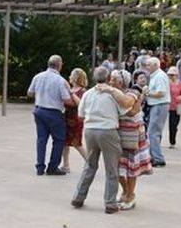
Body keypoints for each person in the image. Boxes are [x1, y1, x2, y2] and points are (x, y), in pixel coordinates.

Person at [71, 67, 135, 213]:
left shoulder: (88, 93)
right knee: (111, 168)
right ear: (108, 79)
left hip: (90, 131)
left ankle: (78, 197)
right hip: (108, 131)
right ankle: (110, 203)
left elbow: (80, 115)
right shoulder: (114, 93)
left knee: (90, 165)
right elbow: (128, 111)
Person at [26, 55, 74, 176]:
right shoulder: (60, 81)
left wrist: (41, 94)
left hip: (39, 110)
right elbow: (66, 100)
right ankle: (52, 167)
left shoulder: (38, 77)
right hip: (54, 113)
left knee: (41, 139)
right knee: (58, 139)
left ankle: (40, 167)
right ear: (59, 65)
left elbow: (30, 93)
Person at [114, 69, 152, 210]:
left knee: (131, 166)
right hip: (118, 134)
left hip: (133, 135)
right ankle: (125, 191)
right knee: (117, 166)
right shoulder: (113, 93)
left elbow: (131, 111)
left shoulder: (132, 93)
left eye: (113, 79)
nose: (110, 81)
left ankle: (130, 195)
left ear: (121, 82)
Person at [59, 68, 88, 173]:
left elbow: (80, 104)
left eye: (71, 75)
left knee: (77, 143)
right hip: (66, 117)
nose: (69, 77)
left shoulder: (82, 91)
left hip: (76, 119)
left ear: (76, 77)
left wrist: (71, 93)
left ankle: (89, 163)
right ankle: (66, 165)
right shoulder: (70, 89)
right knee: (65, 142)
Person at [144, 57, 169, 167]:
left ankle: (158, 158)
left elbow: (161, 93)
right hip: (156, 105)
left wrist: (148, 93)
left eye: (149, 65)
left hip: (159, 104)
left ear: (155, 65)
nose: (147, 67)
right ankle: (153, 156)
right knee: (152, 132)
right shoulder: (155, 76)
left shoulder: (160, 76)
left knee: (153, 132)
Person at [167, 67, 181, 149]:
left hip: (179, 105)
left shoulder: (180, 83)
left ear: (176, 75)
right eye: (170, 75)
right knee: (171, 124)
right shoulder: (167, 83)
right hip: (169, 106)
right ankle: (172, 142)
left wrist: (180, 97)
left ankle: (173, 140)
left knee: (175, 124)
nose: (171, 76)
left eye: (173, 75)